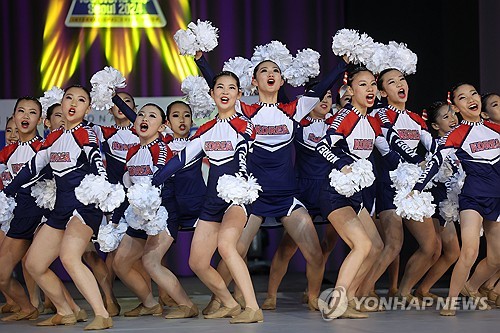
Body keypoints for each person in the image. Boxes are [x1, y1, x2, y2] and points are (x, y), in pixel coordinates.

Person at [194, 51, 348, 312]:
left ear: (281, 80)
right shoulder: (245, 111)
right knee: (233, 252)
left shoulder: (292, 110)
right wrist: (200, 61)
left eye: (275, 71)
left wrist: (342, 64)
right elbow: (218, 86)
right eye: (264, 71)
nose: (270, 74)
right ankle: (219, 300)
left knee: (315, 254)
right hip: (254, 197)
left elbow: (322, 87)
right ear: (254, 81)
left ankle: (312, 296)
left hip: (287, 197)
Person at [153, 71, 263, 324]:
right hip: (211, 201)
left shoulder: (245, 125)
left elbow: (245, 152)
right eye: (220, 88)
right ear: (212, 94)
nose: (225, 92)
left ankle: (253, 307)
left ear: (239, 94)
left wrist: (242, 181)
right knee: (198, 262)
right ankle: (230, 303)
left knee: (226, 245)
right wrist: (155, 180)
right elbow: (181, 159)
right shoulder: (205, 130)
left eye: (231, 88)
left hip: (237, 198)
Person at [4, 86, 113, 330]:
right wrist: (8, 188)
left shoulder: (86, 133)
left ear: (89, 108)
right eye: (69, 98)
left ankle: (102, 314)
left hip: (84, 208)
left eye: (81, 99)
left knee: (69, 256)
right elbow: (33, 167)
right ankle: (65, 311)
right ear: (61, 104)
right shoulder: (53, 138)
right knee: (34, 263)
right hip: (61, 209)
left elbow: (96, 158)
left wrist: (103, 185)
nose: (74, 103)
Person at [316, 66, 402, 318]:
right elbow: (323, 145)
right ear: (350, 91)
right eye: (363, 85)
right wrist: (342, 165)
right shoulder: (346, 116)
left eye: (373, 84)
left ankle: (350, 298)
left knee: (375, 246)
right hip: (335, 193)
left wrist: (415, 169)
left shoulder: (373, 120)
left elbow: (387, 153)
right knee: (363, 245)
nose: (370, 89)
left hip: (357, 196)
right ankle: (336, 302)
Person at [410, 83, 500, 316]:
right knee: (469, 251)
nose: (470, 98)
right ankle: (451, 301)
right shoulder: (455, 135)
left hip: (497, 199)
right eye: (462, 97)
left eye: (473, 93)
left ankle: (470, 287)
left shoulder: (495, 128)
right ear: (456, 108)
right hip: (473, 200)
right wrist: (418, 187)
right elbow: (435, 162)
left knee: (497, 257)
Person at [359, 68, 440, 302]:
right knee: (393, 244)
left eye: (402, 80)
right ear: (383, 92)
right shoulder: (380, 115)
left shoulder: (415, 118)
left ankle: (404, 291)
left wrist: (439, 157)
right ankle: (363, 291)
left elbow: (430, 143)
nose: (400, 85)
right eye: (392, 83)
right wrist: (417, 161)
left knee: (430, 245)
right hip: (389, 185)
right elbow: (389, 145)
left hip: (414, 187)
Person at [0, 97, 45, 322]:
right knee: (2, 274)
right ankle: (28, 308)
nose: (25, 117)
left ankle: (70, 310)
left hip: (42, 215)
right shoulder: (8, 152)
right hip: (18, 216)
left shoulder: (44, 147)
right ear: (14, 116)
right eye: (21, 111)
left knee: (37, 266)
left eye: (32, 112)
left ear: (40, 118)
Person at [413, 101, 460, 300]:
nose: (452, 119)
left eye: (453, 114)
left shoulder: (462, 139)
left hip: (456, 201)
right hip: (441, 201)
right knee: (442, 249)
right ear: (434, 126)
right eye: (445, 117)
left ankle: (422, 289)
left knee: (449, 251)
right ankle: (409, 290)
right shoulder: (438, 146)